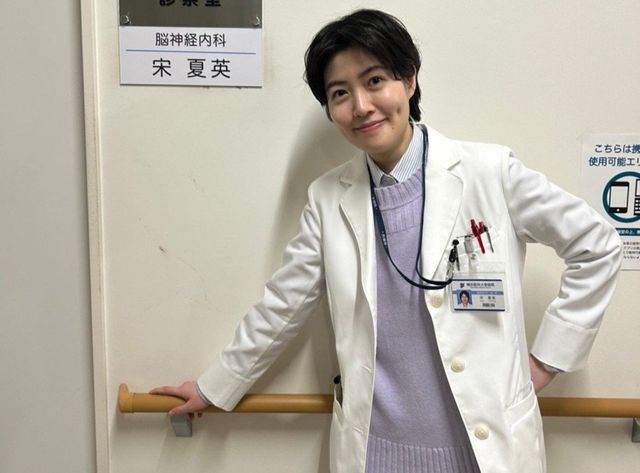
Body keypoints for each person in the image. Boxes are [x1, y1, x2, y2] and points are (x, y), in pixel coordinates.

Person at [151, 9, 622, 473]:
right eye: (340, 93)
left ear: (409, 80)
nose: (361, 106)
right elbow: (283, 305)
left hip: (484, 452)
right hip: (375, 453)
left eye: (375, 80)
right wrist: (215, 386)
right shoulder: (328, 199)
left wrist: (548, 359)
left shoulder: (489, 173)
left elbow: (598, 245)